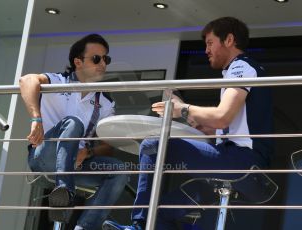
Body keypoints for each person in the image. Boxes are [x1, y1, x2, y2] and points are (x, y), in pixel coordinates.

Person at [102, 17, 273, 230]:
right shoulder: (237, 70)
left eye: (210, 43)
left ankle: (138, 225)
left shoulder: (241, 67)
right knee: (163, 213)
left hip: (240, 163)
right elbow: (217, 127)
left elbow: (222, 117)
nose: (206, 50)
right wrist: (183, 111)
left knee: (151, 145)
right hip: (239, 166)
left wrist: (182, 109)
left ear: (229, 40)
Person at [20, 34, 128, 230]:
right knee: (73, 123)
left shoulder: (105, 102)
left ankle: (85, 227)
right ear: (78, 62)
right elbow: (26, 80)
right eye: (97, 58)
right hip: (44, 156)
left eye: (106, 59)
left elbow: (107, 146)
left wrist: (88, 152)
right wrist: (36, 119)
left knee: (119, 170)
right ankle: (64, 193)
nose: (103, 63)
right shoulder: (57, 81)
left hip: (78, 164)